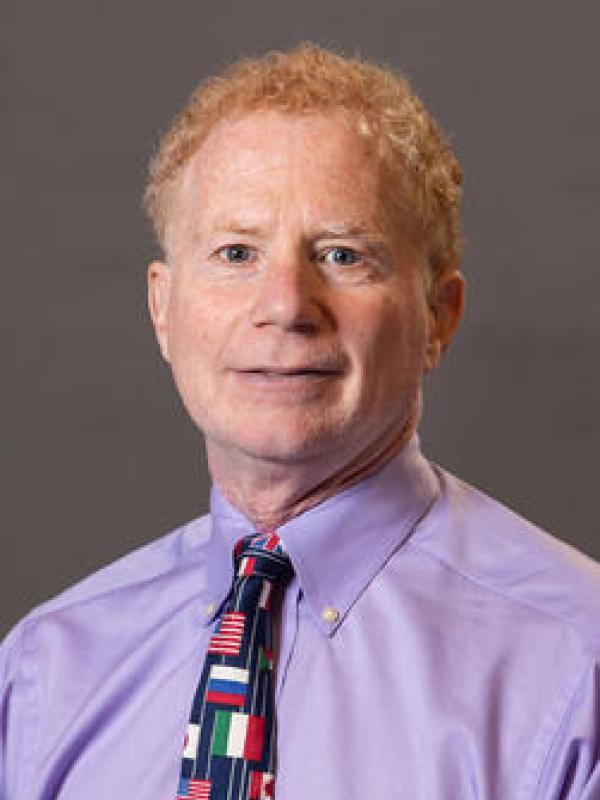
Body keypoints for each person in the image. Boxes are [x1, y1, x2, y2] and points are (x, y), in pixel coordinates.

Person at [1, 44, 599, 800]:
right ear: (163, 307)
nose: (284, 305)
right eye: (236, 252)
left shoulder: (578, 671)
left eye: (343, 255)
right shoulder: (43, 674)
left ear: (437, 318)